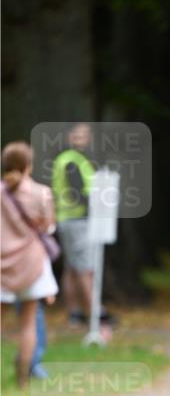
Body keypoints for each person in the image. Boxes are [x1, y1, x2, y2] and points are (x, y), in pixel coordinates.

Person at [1, 142, 58, 386]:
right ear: (28, 166)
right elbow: (49, 226)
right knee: (28, 323)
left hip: (2, 264)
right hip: (32, 264)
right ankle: (23, 375)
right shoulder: (41, 192)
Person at [52, 122, 96, 326]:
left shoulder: (69, 159)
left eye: (85, 135)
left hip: (67, 219)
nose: (82, 139)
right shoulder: (72, 161)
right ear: (70, 137)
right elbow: (78, 193)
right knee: (84, 268)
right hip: (77, 219)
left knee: (71, 268)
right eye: (77, 135)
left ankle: (74, 313)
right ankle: (93, 314)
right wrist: (94, 206)